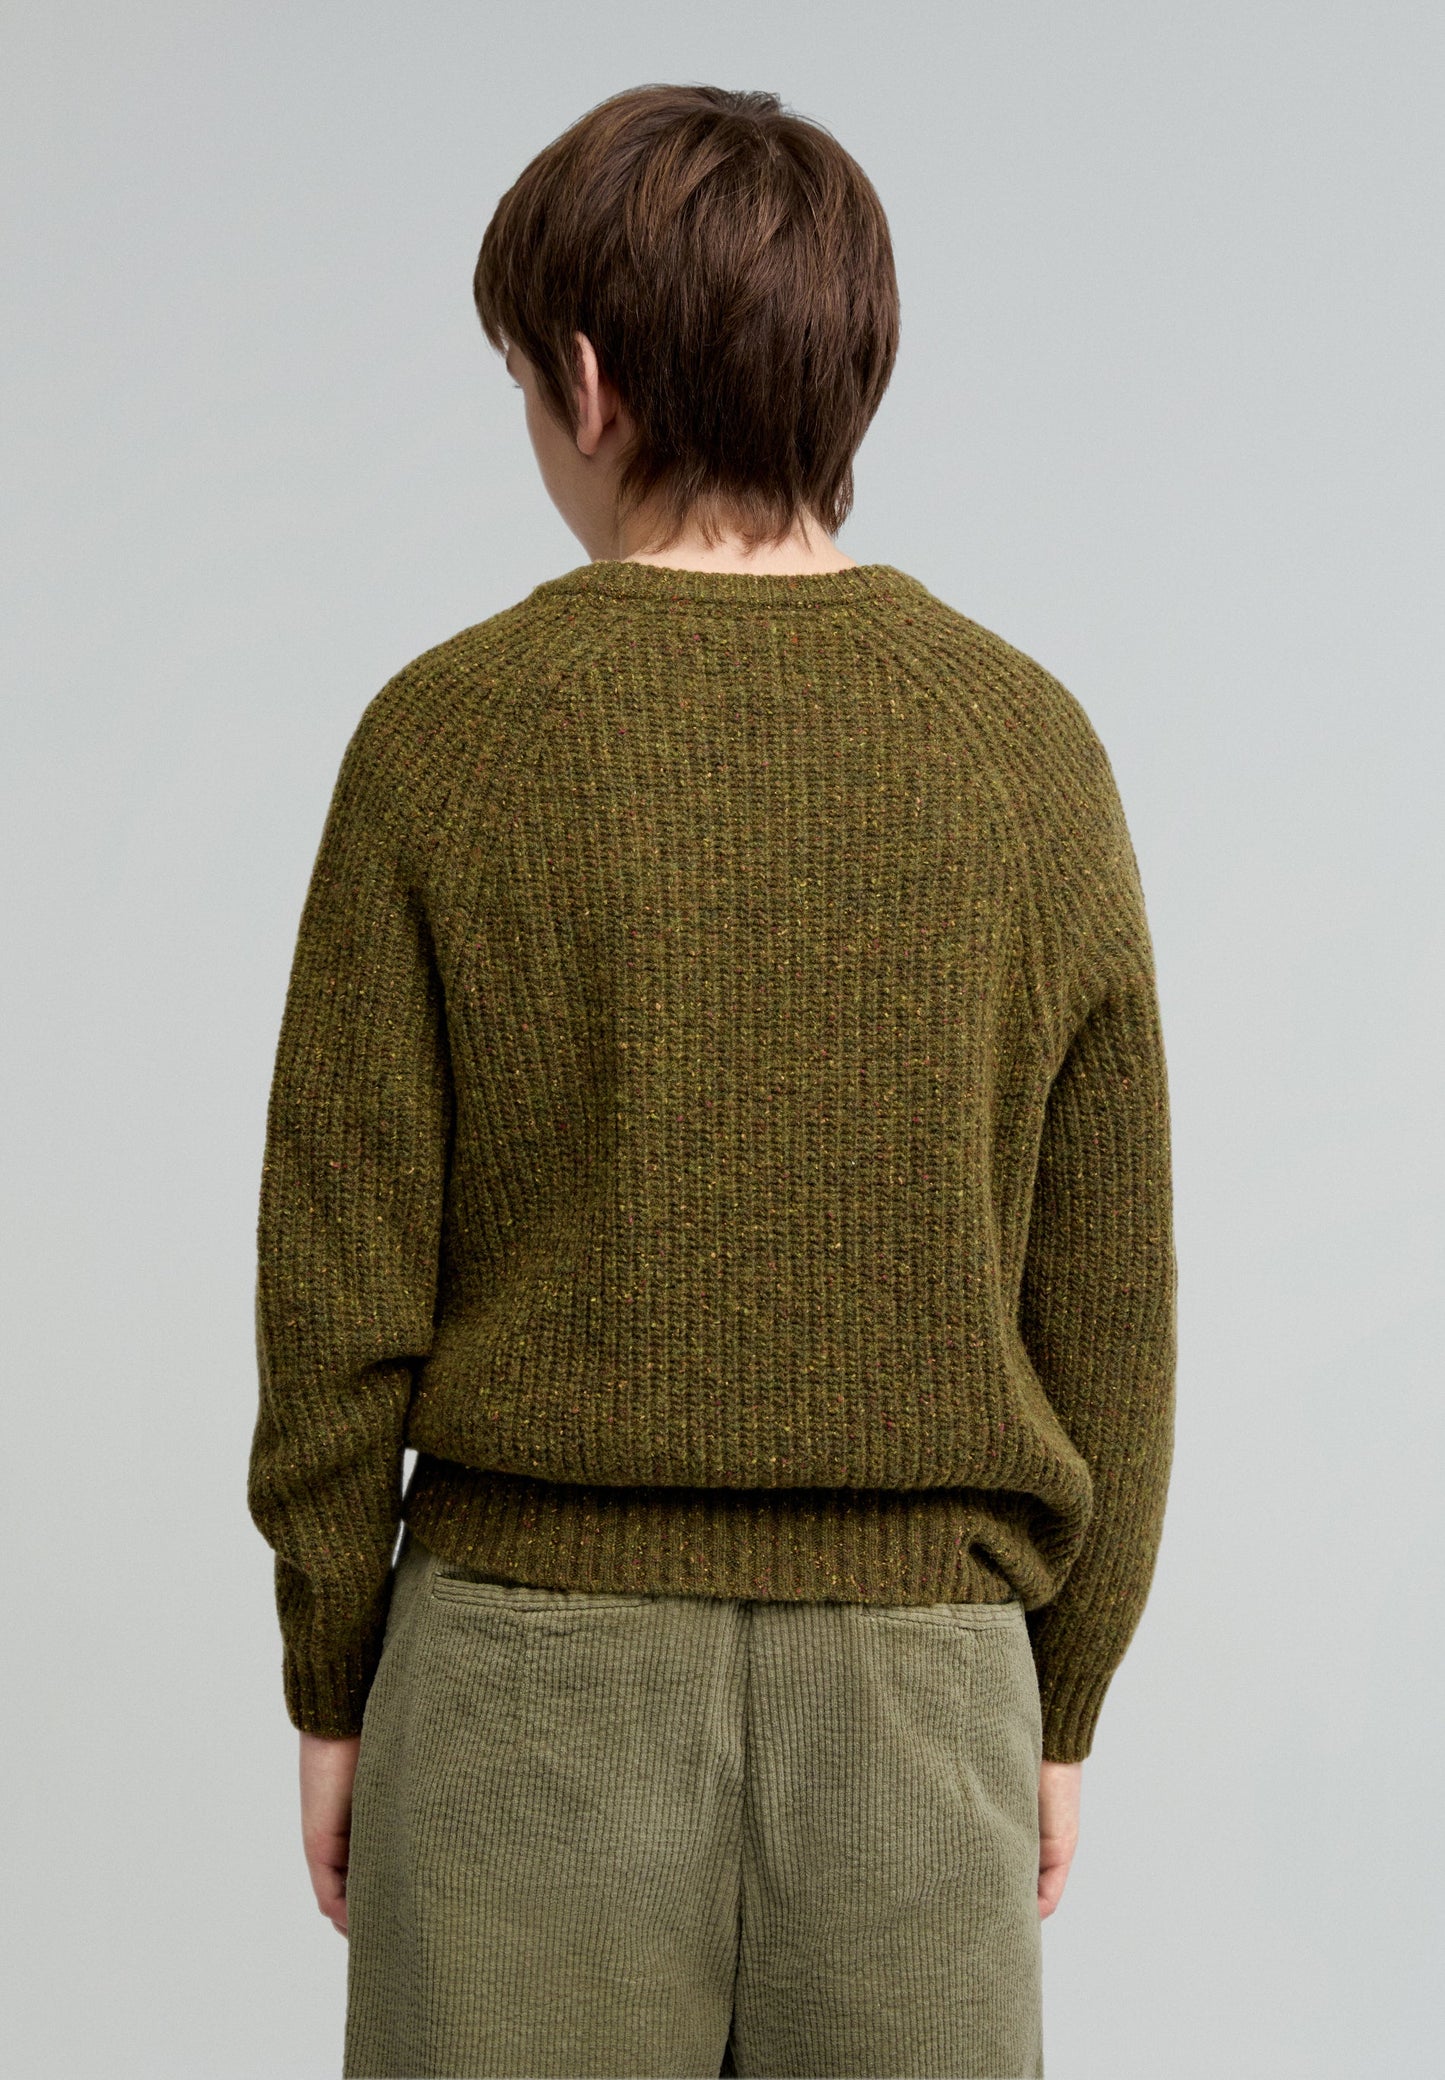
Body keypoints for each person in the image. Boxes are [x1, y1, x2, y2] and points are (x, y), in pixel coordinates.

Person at [247, 82, 1177, 2080]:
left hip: (518, 1683)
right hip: (918, 1704)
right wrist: (1064, 1690)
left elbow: (338, 1282)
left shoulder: (447, 739)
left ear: (586, 385)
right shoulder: (1024, 750)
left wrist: (332, 1669)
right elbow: (1108, 1297)